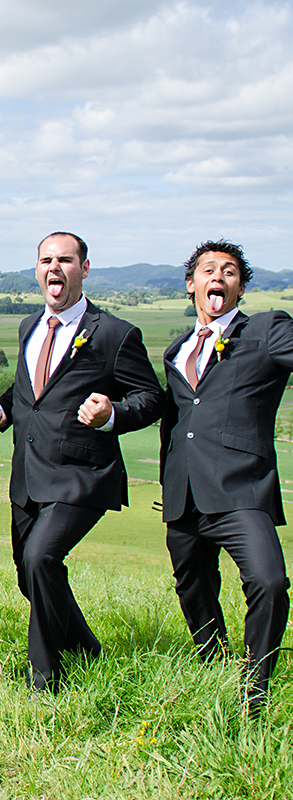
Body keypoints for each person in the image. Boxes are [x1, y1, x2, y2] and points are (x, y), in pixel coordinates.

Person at [0, 232, 163, 691]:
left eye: (65, 259)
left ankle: (45, 681)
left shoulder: (115, 333)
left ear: (84, 268)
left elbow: (150, 398)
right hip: (28, 473)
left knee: (41, 557)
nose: (54, 268)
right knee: (29, 572)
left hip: (82, 473)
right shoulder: (29, 326)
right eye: (46, 260)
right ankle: (86, 649)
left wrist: (112, 414)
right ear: (37, 270)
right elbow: (31, 395)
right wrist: (0, 409)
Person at [160, 240, 291, 713]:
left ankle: (255, 689)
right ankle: (213, 665)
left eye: (230, 271)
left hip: (241, 487)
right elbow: (177, 417)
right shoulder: (176, 349)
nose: (218, 276)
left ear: (240, 287)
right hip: (184, 492)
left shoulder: (267, 329)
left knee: (269, 582)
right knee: (193, 587)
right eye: (208, 269)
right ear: (191, 284)